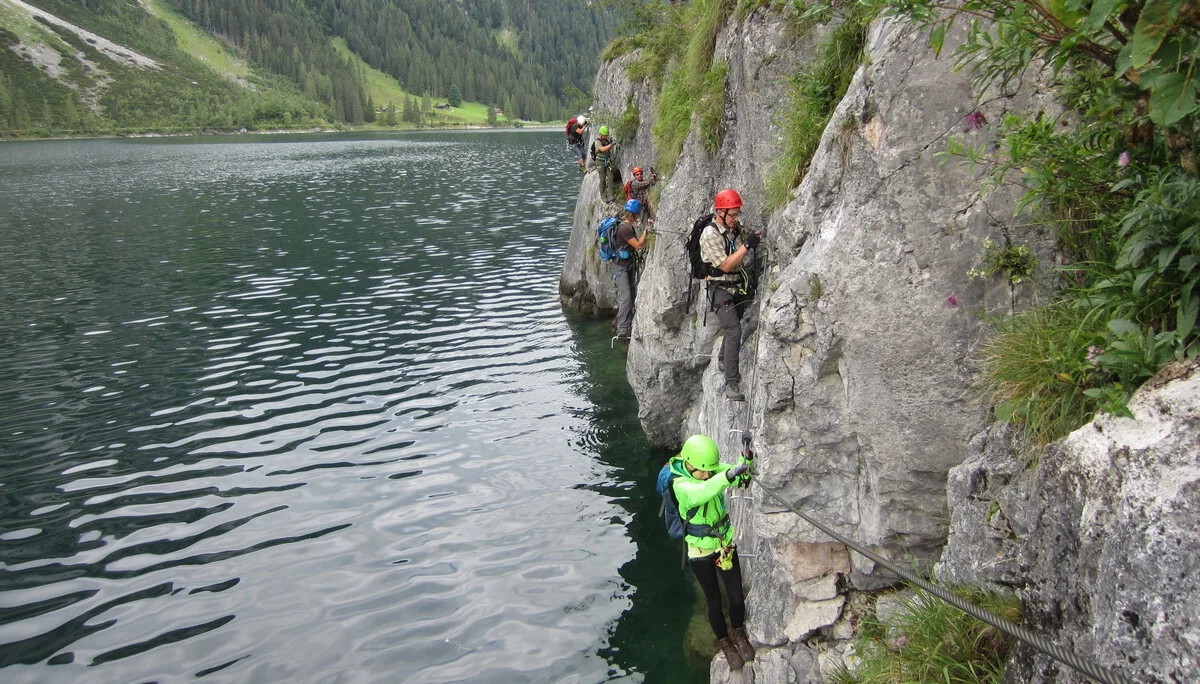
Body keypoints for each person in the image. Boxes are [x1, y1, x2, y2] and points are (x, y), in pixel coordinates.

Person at [669, 434, 756, 671]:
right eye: (703, 471)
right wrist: (725, 477)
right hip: (699, 550)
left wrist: (744, 462)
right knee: (714, 600)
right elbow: (704, 491)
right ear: (688, 465)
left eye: (710, 471)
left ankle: (738, 633)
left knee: (736, 596)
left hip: (723, 544)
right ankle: (725, 643)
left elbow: (737, 475)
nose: (707, 474)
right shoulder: (680, 485)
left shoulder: (711, 470)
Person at [699, 188, 762, 402]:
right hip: (719, 289)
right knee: (734, 330)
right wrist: (747, 246)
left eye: (737, 214)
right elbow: (725, 265)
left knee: (732, 325)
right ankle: (731, 382)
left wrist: (752, 239)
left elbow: (739, 250)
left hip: (737, 286)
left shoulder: (734, 229)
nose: (736, 219)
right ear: (720, 212)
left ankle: (724, 358)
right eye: (732, 214)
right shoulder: (710, 234)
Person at [612, 198, 650, 340]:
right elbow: (639, 245)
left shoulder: (627, 227)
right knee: (626, 295)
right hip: (620, 267)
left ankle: (628, 323)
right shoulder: (624, 228)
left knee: (631, 293)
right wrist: (646, 232)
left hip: (626, 265)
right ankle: (622, 328)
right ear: (634, 214)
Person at [591, 125, 616, 201]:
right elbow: (602, 149)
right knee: (602, 179)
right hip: (600, 162)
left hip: (607, 161)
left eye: (606, 135)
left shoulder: (607, 140)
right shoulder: (597, 142)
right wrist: (611, 145)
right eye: (604, 135)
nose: (606, 137)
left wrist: (611, 142)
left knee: (611, 177)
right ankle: (603, 196)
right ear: (601, 135)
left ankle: (611, 194)